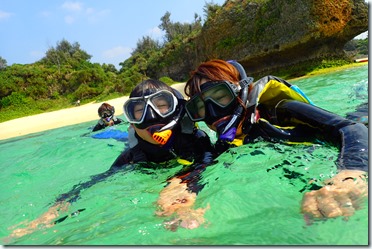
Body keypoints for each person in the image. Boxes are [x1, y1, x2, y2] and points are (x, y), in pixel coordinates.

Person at [8, 79, 216, 240]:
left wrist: (185, 184)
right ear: (133, 124)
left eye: (162, 106)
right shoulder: (132, 157)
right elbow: (93, 183)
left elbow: (208, 161)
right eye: (139, 111)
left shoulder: (197, 141)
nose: (152, 117)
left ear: (178, 109)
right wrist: (56, 209)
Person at [183, 59, 368, 221]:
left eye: (220, 96)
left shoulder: (281, 111)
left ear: (241, 90)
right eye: (200, 107)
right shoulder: (225, 145)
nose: (213, 112)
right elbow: (202, 167)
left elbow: (351, 129)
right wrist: (186, 193)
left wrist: (351, 173)